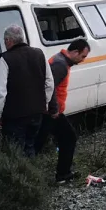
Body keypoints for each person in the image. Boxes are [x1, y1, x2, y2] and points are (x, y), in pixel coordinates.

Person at [0, 25, 54, 157]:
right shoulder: (39, 54)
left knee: (14, 152)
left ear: (8, 40)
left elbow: (0, 91)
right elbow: (49, 83)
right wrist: (44, 103)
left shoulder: (6, 58)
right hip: (37, 113)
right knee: (29, 145)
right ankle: (31, 168)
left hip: (15, 115)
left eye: (5, 41)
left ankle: (19, 170)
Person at [36, 39, 91, 184]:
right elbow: (49, 87)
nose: (83, 60)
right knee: (68, 137)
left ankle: (59, 173)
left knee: (39, 143)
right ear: (75, 52)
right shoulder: (60, 64)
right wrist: (54, 109)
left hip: (49, 110)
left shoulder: (60, 61)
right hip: (50, 112)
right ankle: (62, 174)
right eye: (83, 56)